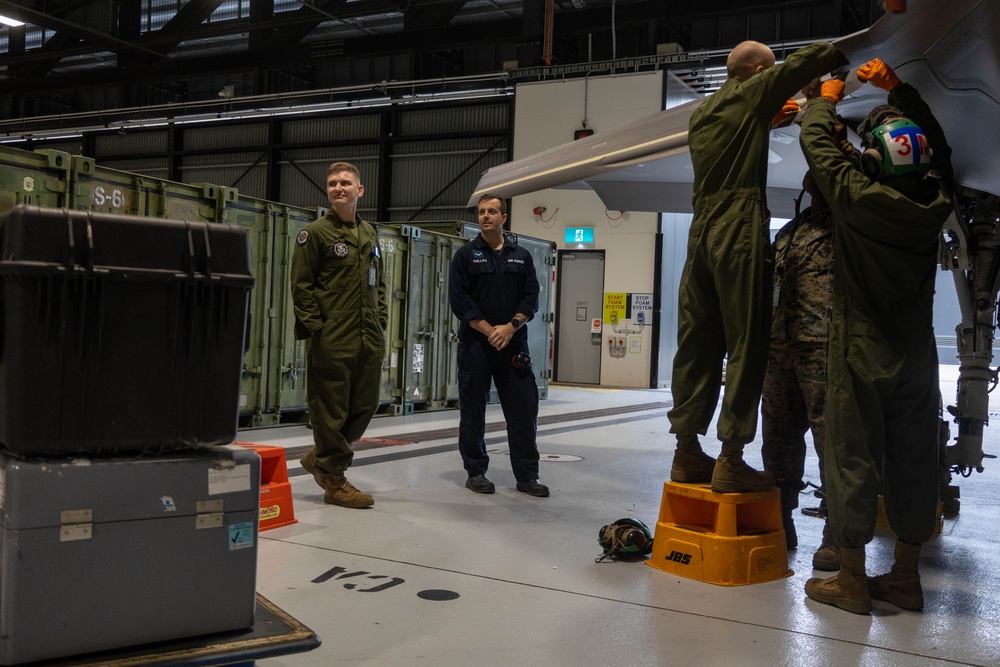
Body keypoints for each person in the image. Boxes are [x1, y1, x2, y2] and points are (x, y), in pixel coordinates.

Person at [800, 59, 953, 614]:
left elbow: (816, 145)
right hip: (916, 353)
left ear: (872, 161)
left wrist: (825, 97)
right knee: (914, 457)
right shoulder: (935, 202)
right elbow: (940, 149)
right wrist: (898, 90)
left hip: (861, 349)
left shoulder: (858, 200)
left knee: (851, 458)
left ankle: (852, 579)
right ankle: (906, 578)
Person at [668, 40, 846, 493]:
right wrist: (831, 58)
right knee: (748, 340)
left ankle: (686, 450)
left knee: (697, 340)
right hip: (737, 227)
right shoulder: (752, 91)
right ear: (760, 71)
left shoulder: (702, 113)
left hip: (701, 231)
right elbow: (804, 62)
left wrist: (766, 118)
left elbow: (740, 130)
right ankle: (730, 459)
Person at [291, 161, 388, 509]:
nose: (338, 188)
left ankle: (322, 456)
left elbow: (379, 284)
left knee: (366, 404)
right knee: (330, 410)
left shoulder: (369, 234)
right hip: (333, 336)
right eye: (332, 183)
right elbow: (301, 287)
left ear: (359, 190)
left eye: (345, 183)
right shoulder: (314, 234)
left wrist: (381, 321)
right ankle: (333, 479)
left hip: (368, 335)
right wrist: (318, 329)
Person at [449, 193, 548, 498]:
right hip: (477, 345)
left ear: (504, 218)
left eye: (492, 211)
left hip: (513, 344)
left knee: (523, 410)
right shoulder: (466, 256)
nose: (486, 216)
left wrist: (510, 326)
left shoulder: (522, 256)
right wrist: (491, 330)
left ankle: (527, 476)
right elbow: (460, 301)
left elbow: (530, 297)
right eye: (481, 212)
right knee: (473, 410)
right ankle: (476, 471)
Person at [761, 169, 834, 553]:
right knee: (778, 439)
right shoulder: (789, 231)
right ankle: (780, 520)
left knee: (831, 442)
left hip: (821, 346)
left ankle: (836, 535)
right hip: (780, 347)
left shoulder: (847, 225)